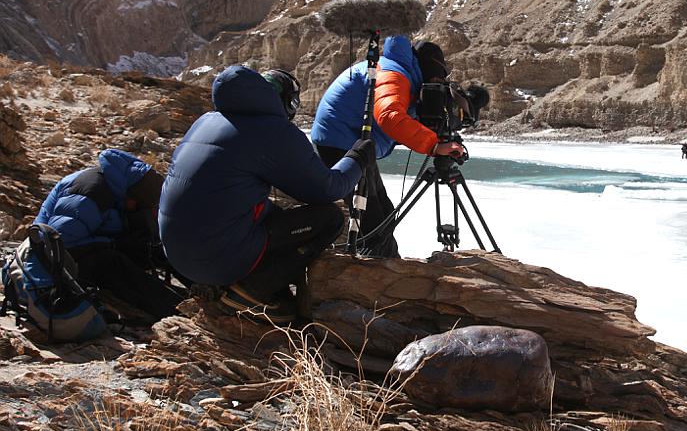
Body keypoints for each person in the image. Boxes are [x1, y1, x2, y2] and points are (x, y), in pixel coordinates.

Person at [158, 66, 371, 324]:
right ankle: (251, 292)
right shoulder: (272, 131)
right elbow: (329, 189)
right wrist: (357, 158)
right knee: (329, 219)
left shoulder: (205, 121)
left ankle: (241, 285)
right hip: (215, 258)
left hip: (178, 256)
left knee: (272, 213)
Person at [310, 37, 463, 258]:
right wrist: (434, 146)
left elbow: (396, 116)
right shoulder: (395, 75)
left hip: (352, 142)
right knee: (372, 218)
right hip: (339, 142)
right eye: (437, 77)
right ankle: (373, 273)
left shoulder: (402, 73)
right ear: (427, 68)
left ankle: (387, 264)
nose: (438, 82)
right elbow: (390, 117)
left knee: (384, 212)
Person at [34, 149, 184, 322]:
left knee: (158, 245)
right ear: (130, 196)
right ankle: (175, 311)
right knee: (110, 262)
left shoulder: (126, 190)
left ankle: (210, 294)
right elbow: (57, 243)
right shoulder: (90, 193)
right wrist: (113, 243)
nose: (136, 209)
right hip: (52, 264)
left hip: (87, 246)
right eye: (136, 205)